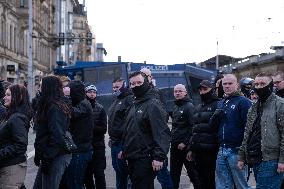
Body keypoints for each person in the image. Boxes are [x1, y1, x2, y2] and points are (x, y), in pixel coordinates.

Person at [122, 71, 171, 189]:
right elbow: (129, 130)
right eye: (133, 84)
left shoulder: (153, 104)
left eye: (139, 82)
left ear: (147, 83)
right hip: (132, 157)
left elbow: (162, 132)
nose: (136, 86)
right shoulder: (134, 104)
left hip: (145, 158)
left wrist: (159, 157)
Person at [238, 73, 284, 188]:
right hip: (256, 159)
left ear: (270, 85)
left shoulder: (280, 104)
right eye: (256, 84)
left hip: (271, 160)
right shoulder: (254, 107)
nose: (259, 87)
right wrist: (242, 157)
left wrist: (282, 160)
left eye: (262, 84)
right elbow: (248, 132)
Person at [211, 74, 252, 189]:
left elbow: (249, 129)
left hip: (237, 150)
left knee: (241, 185)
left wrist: (244, 153)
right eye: (225, 84)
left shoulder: (244, 102)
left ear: (237, 85)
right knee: (222, 185)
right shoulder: (222, 102)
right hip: (222, 149)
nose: (227, 86)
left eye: (230, 83)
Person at [33, 75, 72, 189]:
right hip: (50, 155)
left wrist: (47, 158)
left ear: (48, 87)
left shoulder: (55, 107)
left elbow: (57, 137)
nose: (39, 88)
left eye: (41, 86)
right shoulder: (48, 104)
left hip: (55, 156)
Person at [140, 68, 173, 189]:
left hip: (155, 144)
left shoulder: (157, 93)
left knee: (163, 175)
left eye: (145, 75)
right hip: (141, 146)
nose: (142, 77)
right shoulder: (135, 94)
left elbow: (163, 119)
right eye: (141, 75)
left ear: (150, 77)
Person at [61, 80, 94, 189]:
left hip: (80, 150)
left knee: (75, 182)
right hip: (78, 149)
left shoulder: (84, 104)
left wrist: (63, 100)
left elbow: (72, 113)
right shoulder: (81, 102)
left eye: (71, 92)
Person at [187, 80, 219, 189]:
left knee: (210, 180)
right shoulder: (198, 107)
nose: (202, 92)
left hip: (211, 151)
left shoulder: (218, 105)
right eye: (200, 89)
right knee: (200, 180)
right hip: (198, 151)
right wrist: (191, 149)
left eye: (205, 89)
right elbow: (195, 130)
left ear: (212, 90)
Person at [0, 84, 32, 188]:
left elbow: (20, 145)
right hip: (8, 165)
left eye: (8, 95)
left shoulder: (16, 118)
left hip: (11, 167)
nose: (4, 97)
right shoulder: (10, 115)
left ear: (18, 97)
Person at [170, 84, 201, 189]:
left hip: (185, 147)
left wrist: (185, 142)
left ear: (185, 92)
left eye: (180, 91)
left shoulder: (189, 106)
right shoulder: (175, 106)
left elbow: (193, 127)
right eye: (175, 91)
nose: (177, 93)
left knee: (193, 173)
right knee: (174, 174)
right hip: (175, 146)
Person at [108, 78, 133, 189]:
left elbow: (130, 124)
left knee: (124, 172)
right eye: (113, 87)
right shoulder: (116, 100)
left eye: (117, 87)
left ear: (124, 86)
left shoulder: (129, 100)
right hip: (114, 142)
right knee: (118, 170)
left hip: (123, 143)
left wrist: (125, 145)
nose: (115, 89)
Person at [84, 84, 107, 189]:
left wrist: (90, 127)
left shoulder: (100, 108)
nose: (92, 94)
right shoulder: (82, 106)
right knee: (87, 175)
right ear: (85, 93)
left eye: (94, 92)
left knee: (99, 173)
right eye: (90, 92)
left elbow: (103, 129)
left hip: (98, 146)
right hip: (85, 146)